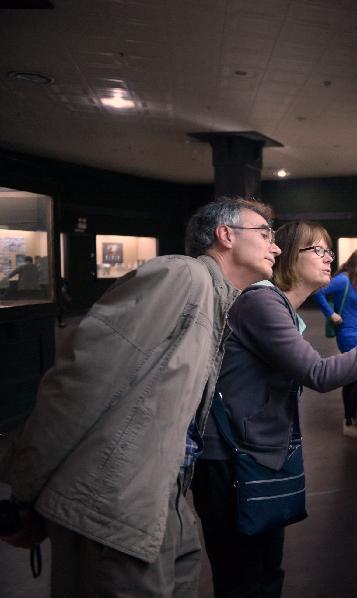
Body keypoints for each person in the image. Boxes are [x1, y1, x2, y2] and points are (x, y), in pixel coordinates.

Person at [0, 198, 282, 597]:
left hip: (164, 498)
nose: (276, 246)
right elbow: (80, 382)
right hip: (116, 500)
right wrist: (26, 491)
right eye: (266, 234)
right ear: (226, 235)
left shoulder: (218, 301)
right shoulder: (181, 277)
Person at [192, 220, 357, 598]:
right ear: (290, 256)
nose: (328, 259)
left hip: (249, 452)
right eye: (318, 250)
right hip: (230, 458)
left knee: (263, 570)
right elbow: (317, 373)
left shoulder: (276, 305)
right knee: (245, 577)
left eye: (329, 251)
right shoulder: (261, 301)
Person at [313, 247, 357, 438]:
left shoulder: (356, 281)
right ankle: (348, 422)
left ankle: (350, 418)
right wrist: (331, 314)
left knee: (352, 377)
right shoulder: (343, 280)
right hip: (348, 336)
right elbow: (318, 293)